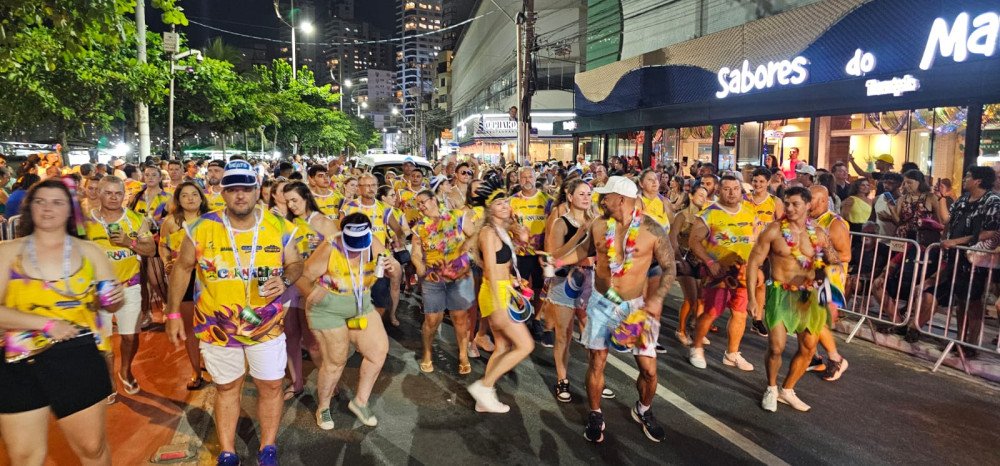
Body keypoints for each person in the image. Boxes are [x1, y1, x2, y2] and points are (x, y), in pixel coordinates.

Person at [165, 160, 303, 466]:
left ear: (257, 191)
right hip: (217, 326)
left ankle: (268, 447)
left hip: (266, 324)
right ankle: (227, 452)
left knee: (270, 385)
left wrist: (287, 279)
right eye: (232, 189)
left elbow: (295, 263)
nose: (240, 195)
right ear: (221, 192)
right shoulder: (201, 228)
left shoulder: (280, 226)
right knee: (227, 387)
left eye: (246, 188)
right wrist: (173, 313)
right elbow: (183, 269)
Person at [0, 178, 126, 466]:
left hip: (77, 356)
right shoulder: (7, 251)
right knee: (23, 456)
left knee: (92, 449)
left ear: (70, 211)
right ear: (29, 208)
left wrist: (114, 298)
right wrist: (43, 323)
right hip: (19, 360)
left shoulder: (90, 252)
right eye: (40, 201)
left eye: (57, 202)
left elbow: (109, 302)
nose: (47, 208)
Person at [552, 176, 676, 443]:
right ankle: (595, 413)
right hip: (601, 301)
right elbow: (583, 250)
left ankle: (643, 409)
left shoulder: (652, 229)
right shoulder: (598, 225)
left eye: (605, 196)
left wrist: (657, 299)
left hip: (637, 307)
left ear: (620, 199)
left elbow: (670, 268)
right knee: (597, 362)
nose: (600, 200)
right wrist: (557, 262)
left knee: (649, 369)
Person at [296, 213, 392, 429]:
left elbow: (390, 263)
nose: (357, 247)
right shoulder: (331, 247)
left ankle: (360, 402)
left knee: (378, 352)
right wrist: (312, 294)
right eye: (352, 242)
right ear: (342, 232)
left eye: (361, 242)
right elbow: (302, 275)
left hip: (361, 306)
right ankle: (323, 407)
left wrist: (393, 267)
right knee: (336, 361)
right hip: (328, 311)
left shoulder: (372, 242)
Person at [748, 187, 839, 413]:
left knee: (809, 348)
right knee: (776, 347)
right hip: (780, 293)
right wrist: (752, 299)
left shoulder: (818, 233)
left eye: (795, 204)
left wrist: (831, 296)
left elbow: (833, 263)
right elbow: (753, 262)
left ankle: (787, 390)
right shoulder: (773, 230)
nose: (789, 208)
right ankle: (771, 388)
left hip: (808, 296)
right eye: (787, 203)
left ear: (808, 206)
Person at [467, 174, 535, 414]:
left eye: (506, 202)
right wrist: (499, 304)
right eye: (499, 203)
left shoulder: (500, 231)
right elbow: (490, 272)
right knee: (526, 345)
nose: (505, 206)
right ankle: (484, 387)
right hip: (496, 295)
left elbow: (502, 266)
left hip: (503, 291)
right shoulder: (487, 232)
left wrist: (515, 280)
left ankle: (483, 400)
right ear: (489, 208)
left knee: (502, 347)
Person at [84, 176, 156, 399]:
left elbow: (151, 249)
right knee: (102, 340)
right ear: (99, 193)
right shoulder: (86, 222)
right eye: (108, 193)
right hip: (98, 290)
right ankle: (109, 379)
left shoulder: (136, 219)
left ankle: (125, 369)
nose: (113, 198)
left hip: (129, 286)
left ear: (124, 195)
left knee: (129, 337)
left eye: (118, 193)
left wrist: (128, 242)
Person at [917, 167, 1000, 352]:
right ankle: (960, 339)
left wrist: (956, 241)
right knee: (961, 299)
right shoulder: (962, 199)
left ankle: (971, 343)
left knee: (973, 300)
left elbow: (989, 233)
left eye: (968, 177)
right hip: (956, 256)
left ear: (978, 181)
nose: (964, 179)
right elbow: (946, 220)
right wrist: (940, 199)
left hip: (976, 259)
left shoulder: (992, 201)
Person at [687, 175, 757, 371]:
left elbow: (757, 242)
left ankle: (732, 353)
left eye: (736, 188)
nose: (732, 192)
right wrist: (710, 262)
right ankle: (696, 346)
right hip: (717, 272)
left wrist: (756, 267)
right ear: (718, 191)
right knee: (712, 312)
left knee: (740, 314)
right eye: (727, 189)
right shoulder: (709, 213)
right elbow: (694, 241)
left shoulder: (750, 212)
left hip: (742, 272)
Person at [411, 190, 477, 375]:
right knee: (432, 319)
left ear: (434, 200)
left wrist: (466, 249)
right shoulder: (420, 226)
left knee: (460, 318)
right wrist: (418, 265)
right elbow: (416, 252)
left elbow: (474, 236)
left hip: (459, 275)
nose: (421, 207)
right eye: (419, 205)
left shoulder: (457, 216)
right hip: (433, 277)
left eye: (423, 202)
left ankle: (463, 355)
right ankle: (427, 352)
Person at [542, 179, 595, 402]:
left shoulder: (597, 221)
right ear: (570, 197)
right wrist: (577, 235)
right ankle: (562, 379)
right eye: (581, 193)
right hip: (565, 284)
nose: (586, 197)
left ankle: (595, 376)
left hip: (590, 282)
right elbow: (554, 256)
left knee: (592, 334)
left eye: (588, 194)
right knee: (563, 335)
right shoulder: (561, 223)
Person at [281, 182, 333, 400]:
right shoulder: (284, 225)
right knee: (290, 336)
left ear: (306, 197)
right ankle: (297, 382)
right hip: (288, 286)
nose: (291, 205)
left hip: (314, 288)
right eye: (287, 201)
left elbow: (337, 254)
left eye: (295, 200)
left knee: (313, 342)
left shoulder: (324, 222)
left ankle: (329, 383)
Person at [158, 181, 210, 390]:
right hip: (185, 280)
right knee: (190, 329)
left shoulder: (211, 220)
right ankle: (196, 371)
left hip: (207, 278)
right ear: (178, 200)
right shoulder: (171, 222)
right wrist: (167, 262)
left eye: (194, 194)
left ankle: (212, 364)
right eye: (185, 195)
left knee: (211, 323)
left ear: (201, 197)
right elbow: (162, 246)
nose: (190, 198)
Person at [343, 175, 407, 326]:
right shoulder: (349, 208)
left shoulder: (384, 208)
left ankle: (379, 323)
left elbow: (399, 230)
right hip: (355, 261)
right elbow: (340, 234)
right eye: (367, 185)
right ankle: (357, 330)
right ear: (359, 188)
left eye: (373, 185)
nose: (371, 188)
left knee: (380, 298)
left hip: (378, 261)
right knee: (355, 298)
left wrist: (397, 244)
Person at [807, 186, 851, 381]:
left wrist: (817, 255)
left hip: (829, 279)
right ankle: (813, 357)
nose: (808, 205)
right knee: (807, 320)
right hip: (811, 277)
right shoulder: (809, 219)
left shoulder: (835, 224)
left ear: (823, 201)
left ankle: (835, 358)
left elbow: (846, 254)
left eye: (812, 201)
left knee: (816, 322)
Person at [510, 166, 553, 344]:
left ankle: (536, 320)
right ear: (519, 180)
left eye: (530, 177)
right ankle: (518, 320)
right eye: (523, 177)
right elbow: (505, 224)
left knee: (541, 289)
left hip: (542, 253)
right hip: (520, 253)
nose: (527, 180)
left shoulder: (548, 200)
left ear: (536, 178)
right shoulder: (511, 201)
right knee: (518, 288)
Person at [671, 185, 710, 346]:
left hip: (698, 260)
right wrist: (678, 259)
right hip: (683, 258)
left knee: (701, 298)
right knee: (691, 297)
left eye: (705, 196)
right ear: (691, 195)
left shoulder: (705, 217)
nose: (703, 198)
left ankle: (697, 329)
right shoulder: (682, 216)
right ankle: (681, 330)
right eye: (700, 194)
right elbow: (672, 238)